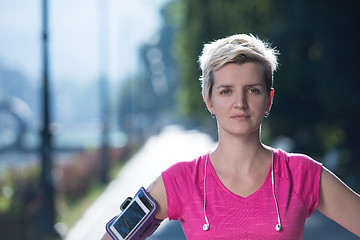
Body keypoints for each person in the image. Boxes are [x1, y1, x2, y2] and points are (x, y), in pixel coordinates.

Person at [102, 34, 360, 239]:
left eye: (253, 90)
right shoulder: (180, 181)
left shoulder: (301, 174)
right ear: (209, 100)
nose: (240, 103)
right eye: (226, 91)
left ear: (268, 99)